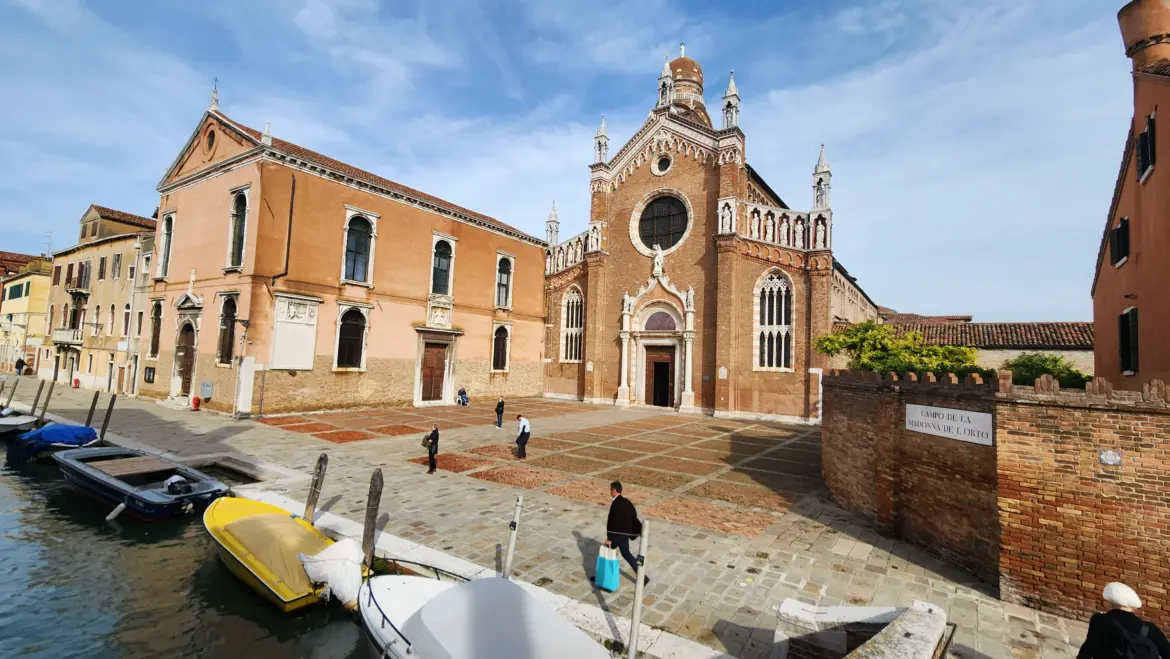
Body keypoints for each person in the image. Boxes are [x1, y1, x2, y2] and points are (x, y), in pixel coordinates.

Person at [1078, 582, 1170, 658]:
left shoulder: (1099, 621)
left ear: (1110, 603)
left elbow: (1088, 651)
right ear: (1133, 608)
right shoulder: (1150, 629)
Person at [601, 481, 649, 586]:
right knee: (626, 554)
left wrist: (609, 538)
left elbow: (613, 523)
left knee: (606, 551)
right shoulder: (626, 501)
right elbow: (633, 514)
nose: (610, 492)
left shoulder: (616, 504)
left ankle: (603, 577)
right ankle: (643, 577)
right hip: (624, 535)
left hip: (616, 535)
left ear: (614, 491)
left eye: (610, 490)